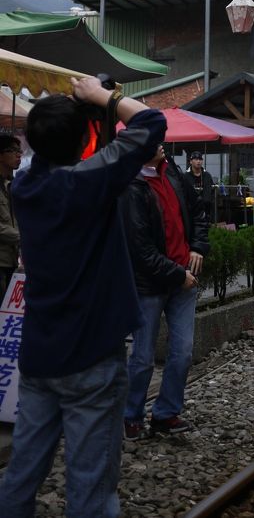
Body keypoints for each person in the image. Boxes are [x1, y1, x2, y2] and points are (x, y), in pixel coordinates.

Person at [0, 77, 166, 518]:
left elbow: (63, 154)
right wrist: (103, 97)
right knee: (90, 483)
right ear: (85, 137)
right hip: (92, 355)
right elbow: (151, 123)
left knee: (22, 472)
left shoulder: (24, 187)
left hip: (40, 357)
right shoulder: (87, 183)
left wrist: (86, 114)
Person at [121, 143, 209, 439]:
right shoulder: (131, 185)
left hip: (184, 278)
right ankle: (131, 415)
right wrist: (177, 274)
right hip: (151, 284)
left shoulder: (170, 170)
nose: (161, 143)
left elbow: (198, 211)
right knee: (143, 357)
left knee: (182, 352)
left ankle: (166, 412)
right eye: (153, 138)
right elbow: (141, 250)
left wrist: (198, 246)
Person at [0, 134, 22, 300]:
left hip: (12, 261)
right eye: (13, 151)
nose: (19, 154)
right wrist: (23, 236)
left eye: (19, 150)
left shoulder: (13, 185)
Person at [186, 149, 215, 223]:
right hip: (191, 210)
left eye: (200, 159)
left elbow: (212, 191)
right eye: (196, 159)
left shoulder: (207, 175)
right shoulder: (185, 176)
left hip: (206, 210)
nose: (198, 161)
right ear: (190, 161)